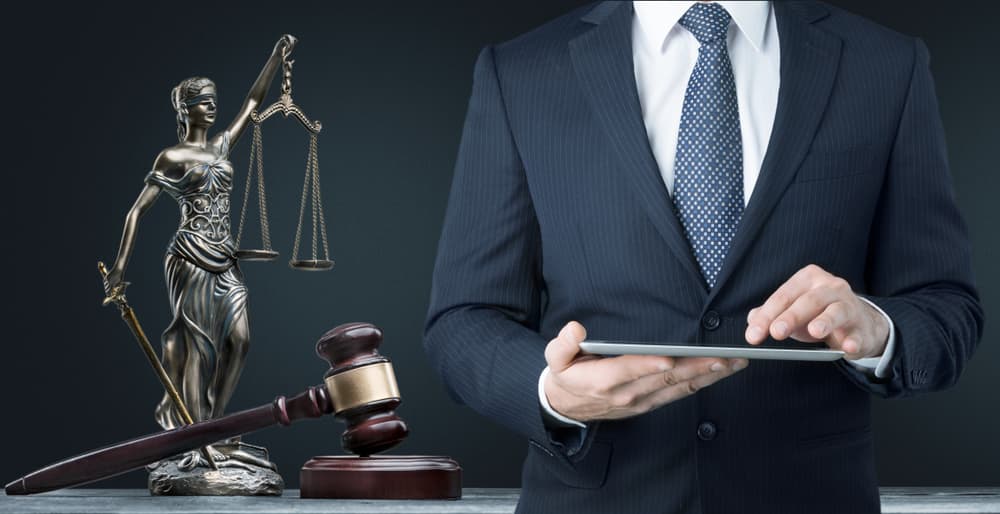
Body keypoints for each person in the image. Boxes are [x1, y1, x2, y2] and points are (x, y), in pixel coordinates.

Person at [423, 2, 983, 513]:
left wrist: (875, 329)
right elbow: (463, 321)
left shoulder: (884, 65)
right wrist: (550, 392)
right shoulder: (521, 72)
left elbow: (947, 307)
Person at [104, 35, 296, 470]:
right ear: (185, 108)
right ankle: (195, 436)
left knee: (240, 340)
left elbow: (252, 101)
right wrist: (119, 268)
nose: (212, 106)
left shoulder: (223, 145)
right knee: (197, 350)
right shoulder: (172, 156)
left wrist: (273, 56)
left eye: (213, 100)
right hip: (189, 256)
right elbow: (136, 212)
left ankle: (215, 424)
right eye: (203, 101)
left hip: (224, 257)